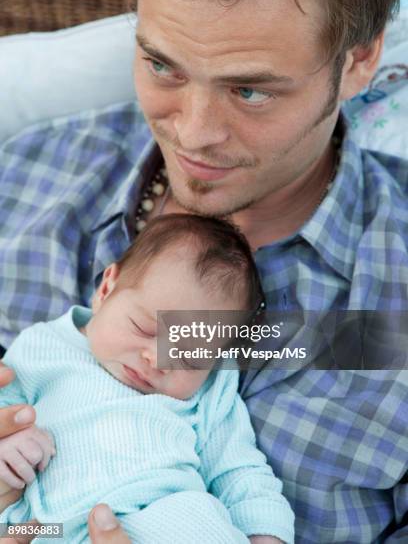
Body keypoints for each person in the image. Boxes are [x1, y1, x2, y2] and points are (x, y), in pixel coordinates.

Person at [0, 0, 407, 541]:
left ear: (359, 62)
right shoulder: (23, 180)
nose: (193, 135)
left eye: (250, 90)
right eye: (162, 65)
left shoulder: (391, 292)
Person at [0, 214, 294, 544]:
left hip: (163, 518)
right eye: (144, 328)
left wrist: (266, 534)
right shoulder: (43, 347)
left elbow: (239, 471)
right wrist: (11, 448)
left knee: (197, 520)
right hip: (46, 527)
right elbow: (5, 411)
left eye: (188, 358)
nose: (156, 359)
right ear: (107, 288)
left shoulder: (210, 390)